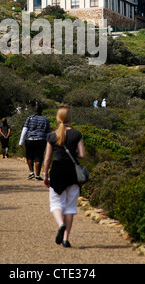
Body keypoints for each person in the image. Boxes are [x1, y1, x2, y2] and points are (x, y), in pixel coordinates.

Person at [43, 106, 86, 248]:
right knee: (70, 207)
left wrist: (45, 175)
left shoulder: (52, 136)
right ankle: (66, 239)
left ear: (58, 118)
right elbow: (82, 155)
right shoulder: (76, 134)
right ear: (70, 118)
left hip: (57, 171)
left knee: (56, 203)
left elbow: (48, 158)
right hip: (72, 172)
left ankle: (60, 224)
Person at [19, 102, 51, 181]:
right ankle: (37, 175)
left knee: (29, 156)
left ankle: (31, 172)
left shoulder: (29, 118)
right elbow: (48, 133)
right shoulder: (45, 120)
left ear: (34, 110)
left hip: (30, 139)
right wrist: (49, 143)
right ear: (41, 111)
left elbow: (25, 130)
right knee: (38, 157)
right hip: (41, 140)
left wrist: (21, 142)